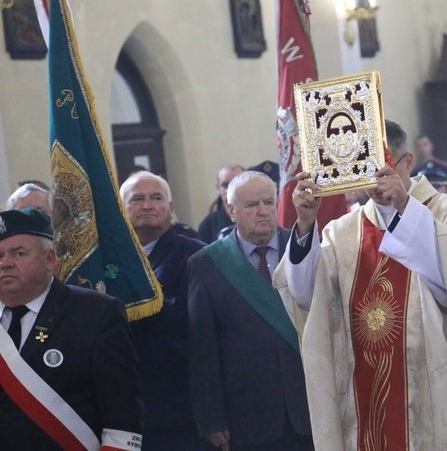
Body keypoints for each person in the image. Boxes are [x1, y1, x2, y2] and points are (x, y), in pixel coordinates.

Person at [274, 120, 447, 449]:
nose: (376, 177)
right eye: (367, 166)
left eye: (386, 166)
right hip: (364, 397)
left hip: (432, 389)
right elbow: (307, 297)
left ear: (407, 163)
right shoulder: (341, 231)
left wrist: (406, 208)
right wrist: (306, 225)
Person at [188, 171, 313, 450]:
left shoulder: (305, 249)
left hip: (309, 408)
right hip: (247, 414)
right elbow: (202, 349)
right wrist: (211, 417)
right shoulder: (207, 264)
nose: (263, 211)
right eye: (252, 205)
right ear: (231, 210)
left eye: (269, 203)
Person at [0, 208, 142, 449]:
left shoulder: (96, 314)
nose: (5, 263)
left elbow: (121, 410)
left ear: (50, 260)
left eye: (19, 253)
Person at [120, 172, 207, 450]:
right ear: (121, 208)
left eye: (156, 198)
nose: (147, 205)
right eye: (137, 199)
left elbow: (192, 319)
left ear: (170, 208)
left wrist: (127, 303)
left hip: (177, 408)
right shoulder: (108, 260)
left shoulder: (197, 255)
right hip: (122, 408)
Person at [197, 163, 244, 243]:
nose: (230, 190)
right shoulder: (208, 225)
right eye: (225, 185)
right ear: (218, 188)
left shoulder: (258, 217)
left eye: (236, 184)